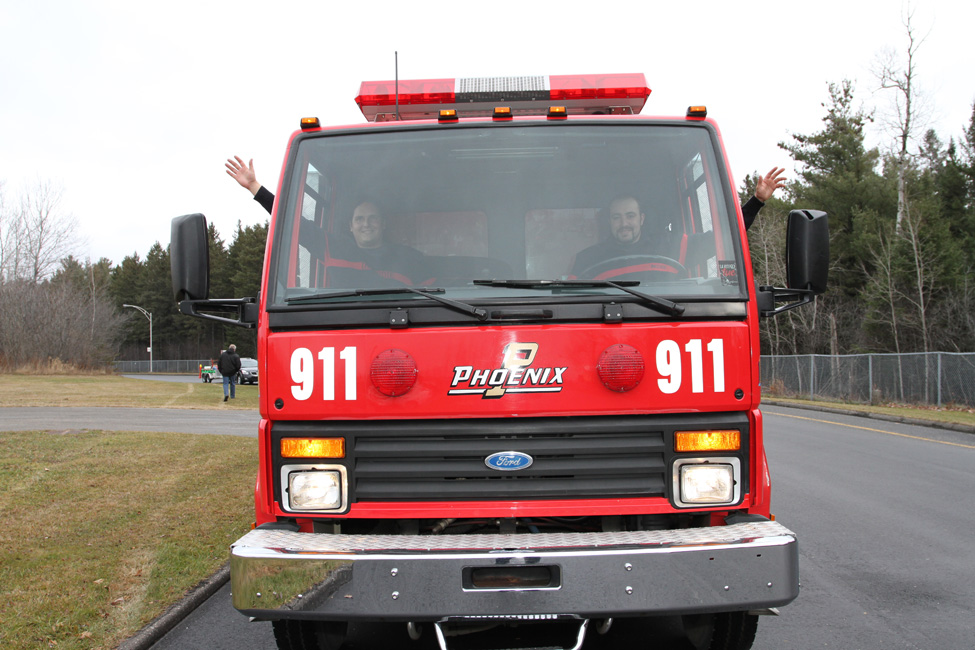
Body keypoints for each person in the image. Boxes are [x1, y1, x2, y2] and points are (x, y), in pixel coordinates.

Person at [226, 156, 426, 285]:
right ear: (350, 225)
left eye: (373, 218)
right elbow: (293, 221)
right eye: (360, 219)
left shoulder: (409, 258)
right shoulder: (334, 248)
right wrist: (254, 187)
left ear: (383, 223)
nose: (366, 224)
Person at [570, 168, 786, 279]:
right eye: (616, 217)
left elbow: (723, 238)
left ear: (641, 219)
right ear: (609, 221)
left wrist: (756, 202)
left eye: (630, 216)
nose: (624, 223)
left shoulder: (672, 246)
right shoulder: (587, 260)